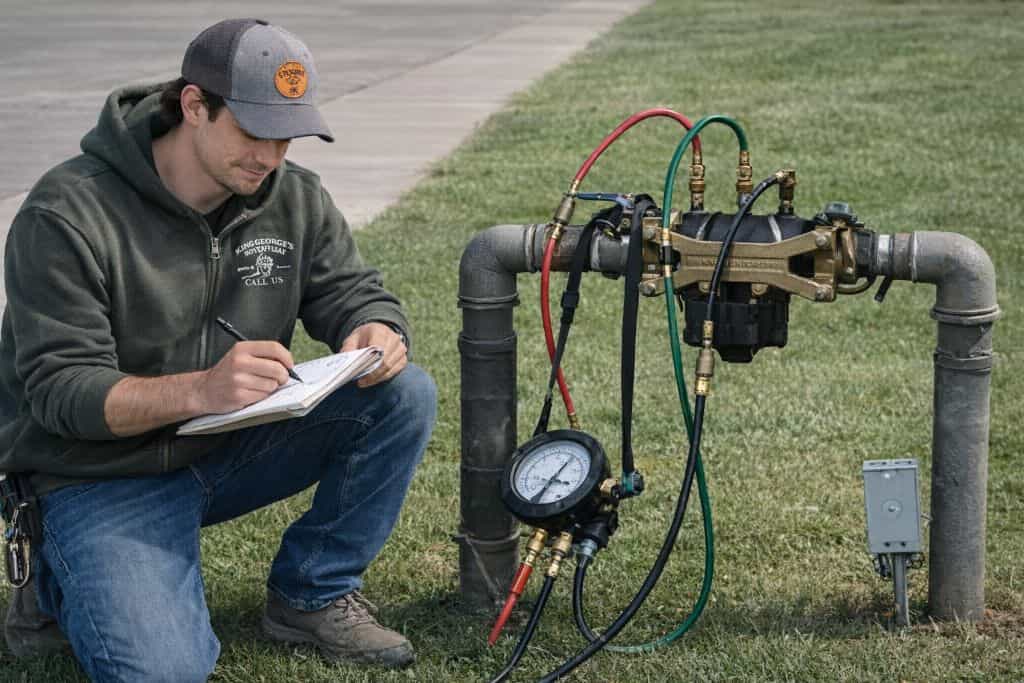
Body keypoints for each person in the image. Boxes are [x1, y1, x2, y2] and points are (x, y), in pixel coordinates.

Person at [0, 18, 436, 679]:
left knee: (402, 394)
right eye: (255, 129)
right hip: (101, 472)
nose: (271, 155)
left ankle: (309, 594)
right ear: (195, 105)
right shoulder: (66, 214)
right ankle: (54, 583)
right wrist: (202, 388)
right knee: (161, 671)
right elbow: (63, 394)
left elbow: (354, 290)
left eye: (287, 134)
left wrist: (376, 327)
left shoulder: (292, 198)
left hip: (230, 441)